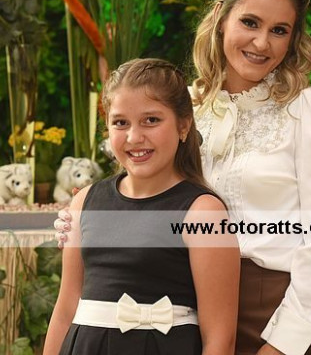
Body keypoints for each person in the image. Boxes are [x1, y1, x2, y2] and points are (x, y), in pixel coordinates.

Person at [55, 0, 311, 355]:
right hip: (184, 314)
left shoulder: (310, 109)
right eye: (250, 22)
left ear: (293, 40)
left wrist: (284, 344)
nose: (262, 42)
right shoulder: (184, 108)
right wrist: (82, 223)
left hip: (274, 317)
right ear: (221, 18)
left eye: (279, 30)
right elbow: (142, 197)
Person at [44, 58, 239, 355]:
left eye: (151, 120)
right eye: (120, 123)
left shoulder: (203, 213)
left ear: (183, 125)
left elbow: (220, 339)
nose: (134, 137)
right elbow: (65, 308)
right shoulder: (85, 201)